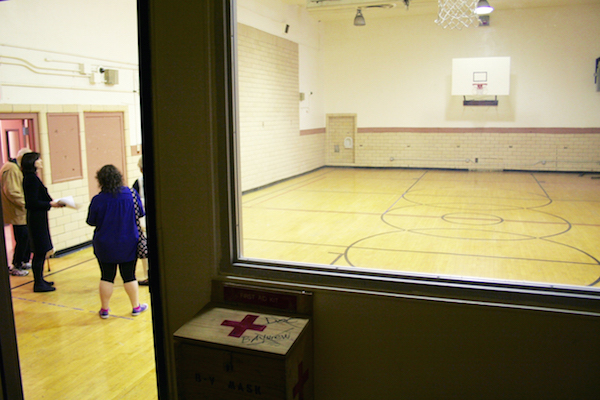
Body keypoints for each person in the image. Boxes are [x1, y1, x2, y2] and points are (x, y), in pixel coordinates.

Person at [86, 164, 148, 319]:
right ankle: (136, 306)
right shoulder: (131, 194)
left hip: (105, 244)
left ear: (100, 180)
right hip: (129, 242)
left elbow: (91, 221)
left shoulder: (98, 200)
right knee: (129, 275)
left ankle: (105, 310)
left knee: (107, 276)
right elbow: (141, 213)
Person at [21, 152, 65, 292]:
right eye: (37, 159)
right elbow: (32, 202)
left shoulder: (32, 177)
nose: (40, 161)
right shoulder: (31, 179)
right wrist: (51, 204)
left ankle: (40, 280)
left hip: (38, 217)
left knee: (42, 250)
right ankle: (38, 283)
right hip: (36, 219)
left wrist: (51, 203)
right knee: (40, 251)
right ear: (32, 162)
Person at [1, 148, 33, 276]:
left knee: (26, 237)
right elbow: (12, 192)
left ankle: (24, 260)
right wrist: (27, 204)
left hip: (21, 211)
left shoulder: (15, 168)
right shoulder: (11, 169)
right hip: (17, 211)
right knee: (22, 237)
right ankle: (17, 264)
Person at [132, 156, 149, 285]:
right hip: (144, 220)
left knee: (146, 248)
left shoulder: (138, 182)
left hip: (144, 220)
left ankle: (149, 275)